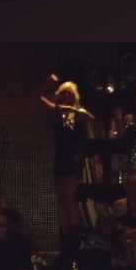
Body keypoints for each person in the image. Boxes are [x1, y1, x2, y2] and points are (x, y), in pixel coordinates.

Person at [39, 74, 95, 241]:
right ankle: (65, 235)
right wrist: (49, 83)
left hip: (73, 158)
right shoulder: (58, 111)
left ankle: (74, 234)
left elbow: (90, 118)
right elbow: (41, 98)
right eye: (63, 93)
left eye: (69, 93)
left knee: (70, 198)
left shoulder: (78, 113)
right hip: (60, 157)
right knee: (61, 198)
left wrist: (71, 110)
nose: (66, 96)